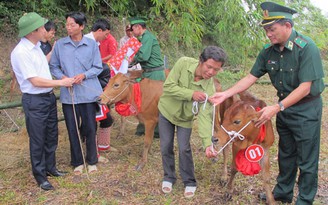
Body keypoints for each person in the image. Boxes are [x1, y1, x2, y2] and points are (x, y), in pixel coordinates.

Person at [209, 2, 324, 204]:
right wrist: (225, 93)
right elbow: (250, 77)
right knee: (286, 153)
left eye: (272, 29)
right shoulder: (268, 51)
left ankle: (305, 200)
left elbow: (305, 87)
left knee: (307, 159)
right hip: (283, 108)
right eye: (266, 30)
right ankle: (283, 192)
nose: (268, 34)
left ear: (287, 26)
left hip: (306, 109)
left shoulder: (306, 48)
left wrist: (277, 107)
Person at [10, 12, 74, 190]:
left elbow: (40, 65)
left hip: (47, 98)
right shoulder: (21, 52)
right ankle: (40, 175)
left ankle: (50, 167)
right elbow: (35, 81)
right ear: (32, 31)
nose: (44, 30)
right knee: (38, 138)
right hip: (35, 100)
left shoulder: (36, 46)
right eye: (41, 27)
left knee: (51, 134)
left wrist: (53, 52)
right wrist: (61, 82)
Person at [159, 46, 226, 198]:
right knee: (165, 145)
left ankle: (189, 181)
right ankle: (169, 177)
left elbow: (204, 115)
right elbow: (168, 87)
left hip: (185, 118)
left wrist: (207, 143)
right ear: (201, 61)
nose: (211, 72)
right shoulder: (183, 63)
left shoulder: (209, 87)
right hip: (167, 112)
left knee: (184, 149)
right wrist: (191, 94)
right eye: (209, 67)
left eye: (216, 70)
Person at [49, 11, 103, 175]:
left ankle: (92, 160)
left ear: (81, 26)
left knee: (90, 127)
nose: (68, 27)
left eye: (72, 25)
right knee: (72, 128)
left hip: (87, 94)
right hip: (69, 95)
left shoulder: (92, 45)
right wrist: (63, 77)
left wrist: (84, 75)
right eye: (67, 24)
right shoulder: (60, 45)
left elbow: (98, 67)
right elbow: (54, 66)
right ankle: (77, 162)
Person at [128, 16, 165, 137]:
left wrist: (130, 61)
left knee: (155, 102)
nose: (132, 32)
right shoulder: (143, 38)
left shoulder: (147, 37)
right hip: (147, 72)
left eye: (133, 28)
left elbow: (144, 56)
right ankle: (142, 128)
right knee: (143, 100)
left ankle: (156, 132)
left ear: (139, 27)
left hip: (154, 73)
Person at [85, 18, 115, 152]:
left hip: (96, 87)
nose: (107, 37)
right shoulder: (86, 42)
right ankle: (90, 150)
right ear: (99, 30)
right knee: (91, 121)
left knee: (105, 118)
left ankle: (102, 146)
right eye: (106, 34)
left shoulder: (95, 43)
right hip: (88, 87)